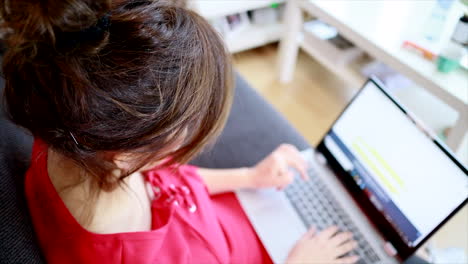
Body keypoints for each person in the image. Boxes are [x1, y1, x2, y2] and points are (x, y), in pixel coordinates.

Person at [0, 0, 359, 263]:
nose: (188, 138)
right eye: (184, 128)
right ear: (126, 154)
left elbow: (170, 183)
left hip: (217, 218)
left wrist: (250, 177)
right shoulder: (121, 253)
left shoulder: (74, 139)